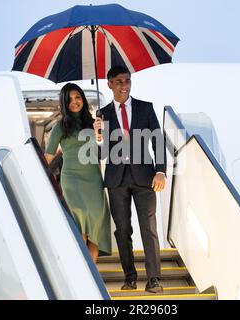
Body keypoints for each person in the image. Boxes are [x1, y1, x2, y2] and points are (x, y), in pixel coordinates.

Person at [94, 66, 167, 293]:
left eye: (127, 81)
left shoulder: (145, 108)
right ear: (109, 85)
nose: (124, 86)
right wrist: (98, 136)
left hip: (145, 177)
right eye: (118, 82)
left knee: (149, 228)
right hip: (116, 180)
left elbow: (157, 140)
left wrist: (161, 170)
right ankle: (130, 277)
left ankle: (154, 279)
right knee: (123, 230)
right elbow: (102, 153)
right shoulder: (102, 114)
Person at [45, 83, 111, 262]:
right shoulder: (59, 127)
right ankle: (84, 276)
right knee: (79, 222)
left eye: (78, 97)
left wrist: (100, 132)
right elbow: (48, 158)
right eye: (70, 99)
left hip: (94, 179)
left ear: (83, 99)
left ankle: (93, 277)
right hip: (72, 180)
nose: (75, 102)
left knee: (95, 228)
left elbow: (106, 150)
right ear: (64, 103)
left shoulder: (94, 122)